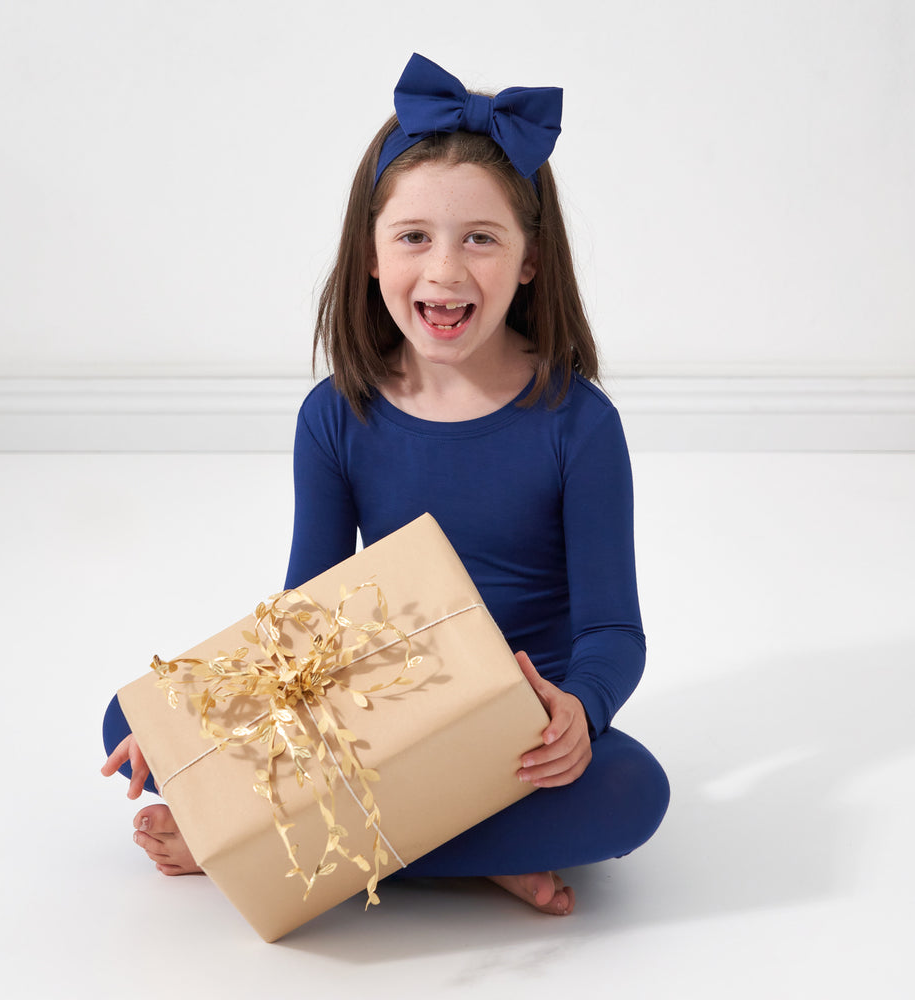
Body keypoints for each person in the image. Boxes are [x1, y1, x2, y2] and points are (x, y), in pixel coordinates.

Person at [103, 53, 669, 917]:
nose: (444, 272)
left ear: (528, 260)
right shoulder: (336, 416)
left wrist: (580, 712)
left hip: (517, 733)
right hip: (381, 713)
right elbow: (303, 614)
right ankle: (469, 850)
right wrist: (191, 722)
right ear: (369, 256)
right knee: (129, 720)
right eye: (414, 237)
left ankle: (261, 847)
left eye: (480, 237)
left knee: (634, 793)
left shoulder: (579, 425)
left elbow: (611, 629)